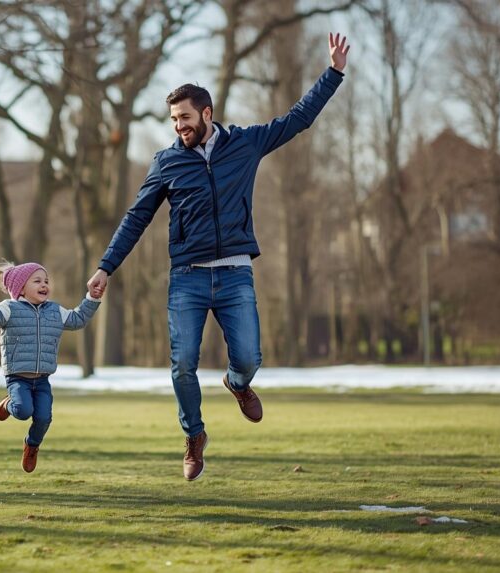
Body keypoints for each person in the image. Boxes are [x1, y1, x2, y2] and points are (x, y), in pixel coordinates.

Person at [87, 34, 351, 481]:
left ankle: (237, 382)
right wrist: (105, 267)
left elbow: (298, 119)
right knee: (182, 363)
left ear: (207, 113)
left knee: (249, 357)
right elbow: (136, 218)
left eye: (185, 118)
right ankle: (194, 437)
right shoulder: (166, 163)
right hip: (187, 277)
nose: (179, 127)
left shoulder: (246, 144)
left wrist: (334, 73)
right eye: (173, 120)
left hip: (234, 274)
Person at [0, 261, 103, 473]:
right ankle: (8, 404)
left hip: (42, 380)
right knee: (22, 411)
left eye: (46, 281)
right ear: (20, 288)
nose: (44, 285)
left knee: (43, 417)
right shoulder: (9, 309)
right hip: (17, 378)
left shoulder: (55, 311)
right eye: (37, 281)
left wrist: (92, 298)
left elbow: (78, 320)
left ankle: (32, 445)